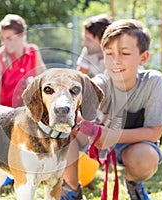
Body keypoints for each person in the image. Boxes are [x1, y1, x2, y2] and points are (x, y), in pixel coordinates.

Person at [77, 19, 162, 200]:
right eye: (109, 53)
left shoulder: (153, 81)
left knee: (145, 159)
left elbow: (154, 133)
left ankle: (133, 182)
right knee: (65, 139)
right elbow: (80, 111)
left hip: (134, 145)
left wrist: (112, 135)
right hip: (100, 143)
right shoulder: (100, 83)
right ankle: (71, 189)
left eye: (125, 53)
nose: (115, 61)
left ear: (143, 58)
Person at [61, 14, 111, 200]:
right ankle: (70, 185)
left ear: (102, 38)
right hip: (94, 115)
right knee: (67, 130)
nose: (84, 42)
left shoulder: (115, 58)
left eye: (88, 38)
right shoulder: (88, 52)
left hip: (111, 118)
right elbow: (75, 83)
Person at [0, 14, 46, 107]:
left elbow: (45, 82)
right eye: (2, 38)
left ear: (22, 35)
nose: (4, 43)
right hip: (3, 112)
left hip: (26, 110)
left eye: (9, 38)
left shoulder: (33, 52)